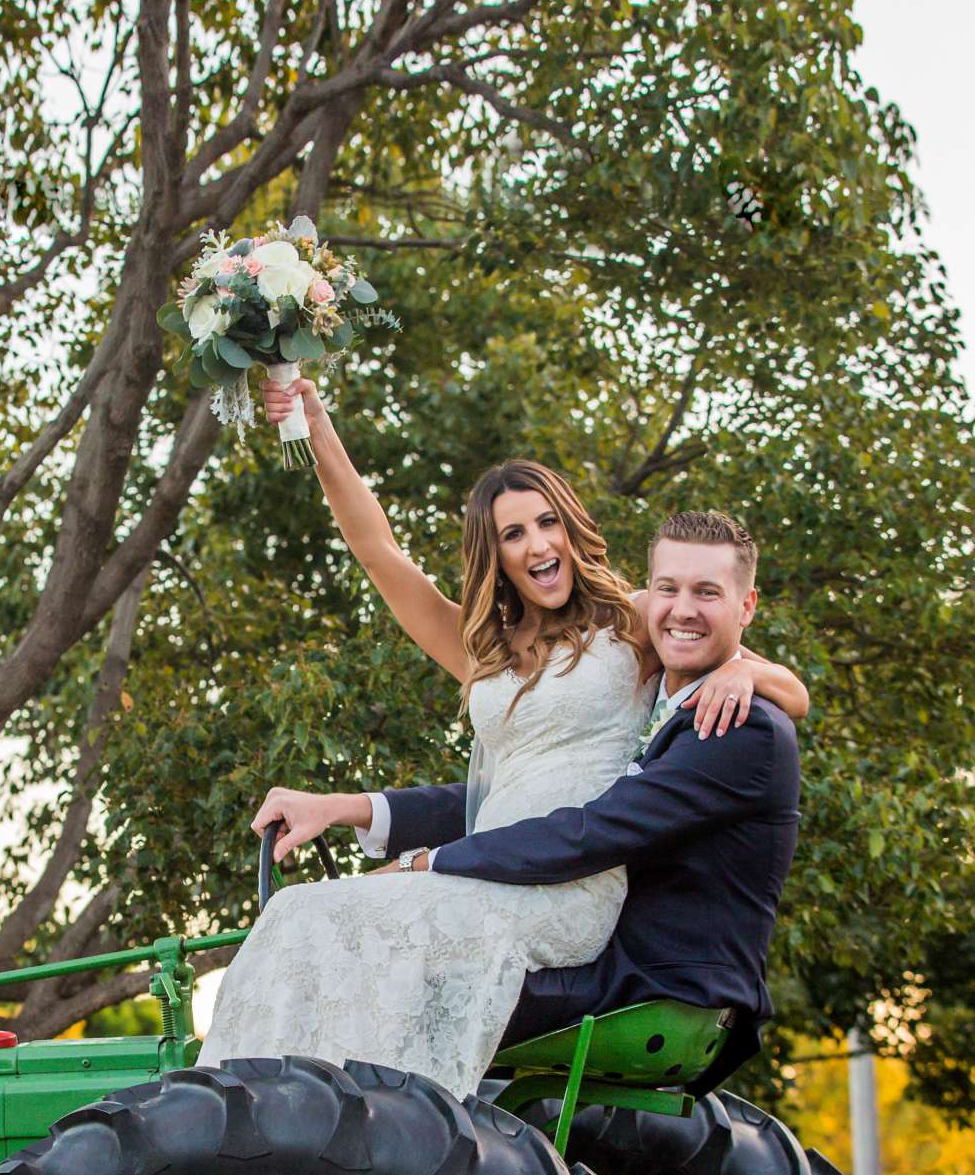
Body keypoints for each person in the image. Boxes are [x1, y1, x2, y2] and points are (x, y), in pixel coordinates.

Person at [197, 375, 807, 1096]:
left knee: (325, 918)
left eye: (547, 522)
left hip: (563, 878)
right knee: (301, 916)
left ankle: (341, 1121)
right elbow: (377, 553)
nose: (536, 544)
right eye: (512, 533)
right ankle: (267, 1109)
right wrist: (318, 423)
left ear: (571, 529)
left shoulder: (630, 617)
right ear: (495, 554)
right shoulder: (481, 649)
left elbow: (729, 643)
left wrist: (748, 673)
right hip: (485, 861)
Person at [375, 509, 800, 1092]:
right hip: (627, 966)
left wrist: (426, 862)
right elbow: (535, 796)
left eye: (707, 592)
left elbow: (590, 832)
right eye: (668, 589)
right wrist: (358, 808)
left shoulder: (735, 724)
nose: (682, 609)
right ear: (647, 599)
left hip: (648, 982)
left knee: (390, 970)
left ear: (747, 606)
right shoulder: (668, 702)